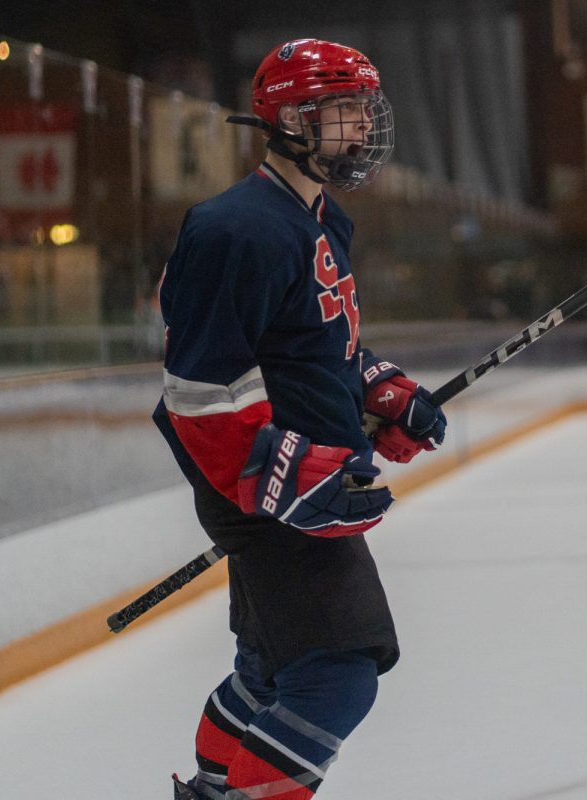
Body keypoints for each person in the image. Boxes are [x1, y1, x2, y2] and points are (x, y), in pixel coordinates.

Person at [152, 39, 447, 800]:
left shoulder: (320, 220)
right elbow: (199, 388)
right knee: (336, 678)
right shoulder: (234, 231)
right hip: (266, 496)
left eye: (362, 109)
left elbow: (316, 343)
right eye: (342, 111)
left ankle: (214, 787)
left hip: (290, 491)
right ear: (287, 121)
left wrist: (377, 394)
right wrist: (290, 477)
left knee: (269, 671)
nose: (361, 127)